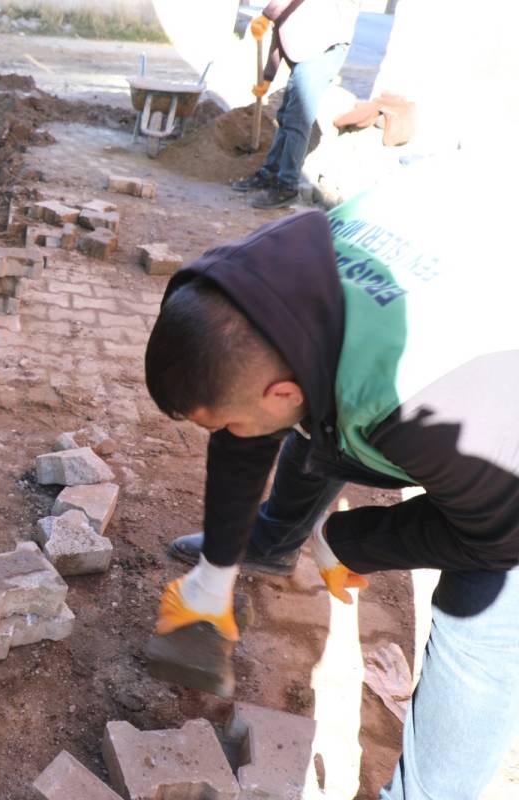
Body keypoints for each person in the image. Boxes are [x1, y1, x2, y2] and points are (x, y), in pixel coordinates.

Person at [144, 156, 519, 798]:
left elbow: (501, 535)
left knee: (488, 600)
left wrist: (350, 542)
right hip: (460, 249)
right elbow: (254, 421)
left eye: (226, 425)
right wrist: (217, 567)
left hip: (496, 416)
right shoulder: (259, 287)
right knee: (305, 421)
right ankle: (269, 543)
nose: (229, 439)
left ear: (283, 388)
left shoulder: (422, 399)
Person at [233, 0, 356, 209]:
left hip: (325, 47)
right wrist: (266, 79)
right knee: (285, 115)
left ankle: (287, 187)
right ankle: (270, 173)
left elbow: (275, 14)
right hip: (307, 46)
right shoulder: (285, 11)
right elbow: (277, 37)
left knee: (297, 117)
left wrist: (267, 14)